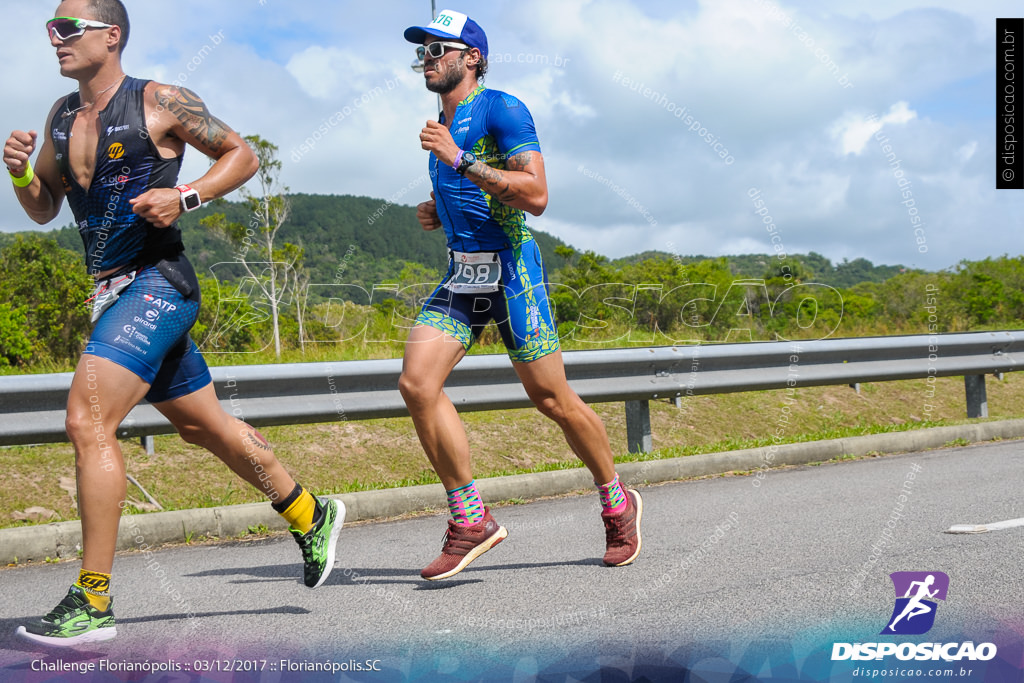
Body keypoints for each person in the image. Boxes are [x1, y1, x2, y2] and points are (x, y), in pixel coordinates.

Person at [5, 0, 343, 647]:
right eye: (51, 28)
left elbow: (241, 154)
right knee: (203, 427)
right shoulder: (59, 118)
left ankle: (93, 599)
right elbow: (44, 208)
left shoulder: (159, 99)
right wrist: (20, 169)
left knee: (87, 417)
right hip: (110, 294)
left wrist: (186, 196)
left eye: (68, 28)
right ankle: (311, 511)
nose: (55, 39)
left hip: (161, 281)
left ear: (112, 34)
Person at [400, 9, 642, 581]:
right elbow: (474, 193)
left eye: (438, 50)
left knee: (552, 399)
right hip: (464, 273)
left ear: (472, 57)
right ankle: (471, 519)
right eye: (422, 51)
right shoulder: (443, 118)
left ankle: (616, 499)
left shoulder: (501, 108)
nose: (425, 60)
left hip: (513, 272)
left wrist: (459, 161)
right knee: (416, 383)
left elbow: (535, 195)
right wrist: (440, 209)